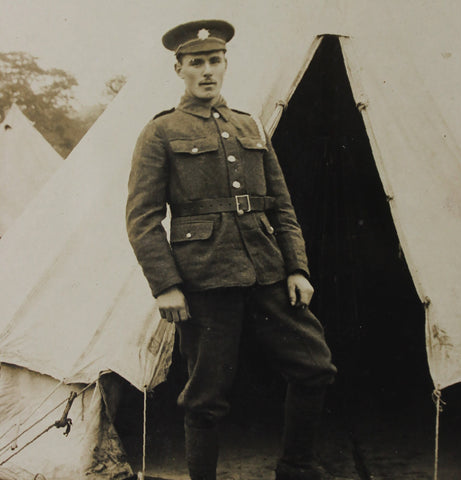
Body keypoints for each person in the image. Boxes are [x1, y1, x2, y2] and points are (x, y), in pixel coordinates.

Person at [126, 19, 338, 480]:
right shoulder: (161, 132)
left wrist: (297, 269)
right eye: (196, 62)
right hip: (205, 277)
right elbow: (142, 219)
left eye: (215, 61)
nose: (207, 71)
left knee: (314, 366)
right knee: (206, 396)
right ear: (178, 68)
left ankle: (297, 467)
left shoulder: (249, 125)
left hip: (267, 270)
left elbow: (281, 205)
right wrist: (166, 285)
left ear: (225, 64)